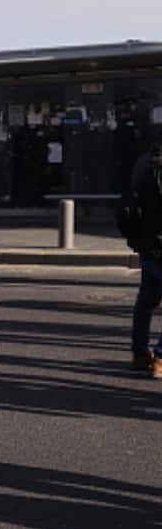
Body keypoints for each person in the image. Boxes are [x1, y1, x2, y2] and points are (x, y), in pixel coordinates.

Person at [121, 143, 162, 378]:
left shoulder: (143, 161)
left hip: (147, 243)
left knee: (146, 300)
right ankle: (161, 359)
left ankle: (139, 353)